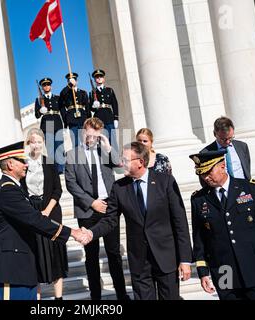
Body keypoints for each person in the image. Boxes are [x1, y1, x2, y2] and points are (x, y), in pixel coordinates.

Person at [86, 142, 193, 300]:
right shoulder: (119, 187)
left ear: (141, 162)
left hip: (166, 257)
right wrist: (91, 232)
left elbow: (180, 222)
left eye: (126, 160)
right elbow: (110, 220)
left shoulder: (165, 182)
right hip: (139, 261)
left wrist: (185, 259)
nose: (122, 163)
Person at [0, 141, 89, 300]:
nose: (26, 164)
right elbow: (34, 219)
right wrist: (72, 232)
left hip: (21, 270)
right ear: (11, 164)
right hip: (11, 271)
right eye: (22, 161)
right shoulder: (7, 190)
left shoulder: (14, 188)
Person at [201, 117, 255, 299]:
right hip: (225, 268)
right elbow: (201, 236)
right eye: (204, 173)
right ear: (215, 134)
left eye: (230, 137)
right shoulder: (200, 200)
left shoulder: (253, 187)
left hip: (253, 255)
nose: (206, 176)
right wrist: (202, 270)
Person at [65, 117, 129, 300]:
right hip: (87, 210)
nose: (90, 138)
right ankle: (96, 296)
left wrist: (108, 145)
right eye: (88, 133)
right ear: (83, 131)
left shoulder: (105, 151)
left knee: (114, 252)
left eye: (95, 135)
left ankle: (122, 294)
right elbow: (71, 183)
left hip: (109, 207)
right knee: (91, 255)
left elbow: (120, 164)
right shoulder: (72, 154)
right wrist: (92, 202)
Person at [21, 129, 68, 300]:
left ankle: (58, 298)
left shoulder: (50, 162)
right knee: (37, 254)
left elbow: (58, 189)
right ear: (29, 143)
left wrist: (47, 210)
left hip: (51, 210)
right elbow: (21, 191)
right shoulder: (24, 164)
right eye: (34, 141)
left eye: (40, 142)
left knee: (55, 254)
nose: (37, 145)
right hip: (32, 210)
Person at [35, 77, 65, 174]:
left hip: (57, 122)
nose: (46, 86)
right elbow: (37, 115)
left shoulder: (57, 98)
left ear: (50, 86)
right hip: (47, 124)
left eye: (48, 84)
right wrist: (40, 110)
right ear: (42, 87)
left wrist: (66, 122)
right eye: (44, 85)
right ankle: (54, 170)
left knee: (59, 147)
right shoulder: (39, 100)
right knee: (51, 148)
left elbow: (63, 111)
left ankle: (61, 168)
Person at [89, 69, 119, 149]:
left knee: (112, 140)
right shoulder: (92, 93)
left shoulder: (110, 90)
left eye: (100, 76)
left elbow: (115, 104)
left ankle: (115, 159)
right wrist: (93, 106)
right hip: (98, 119)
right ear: (95, 80)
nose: (99, 78)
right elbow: (90, 109)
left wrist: (116, 118)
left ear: (103, 78)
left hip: (109, 117)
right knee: (101, 140)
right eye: (97, 77)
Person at [59, 72, 90, 148]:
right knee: (75, 142)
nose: (72, 81)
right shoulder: (65, 93)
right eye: (69, 80)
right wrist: (65, 121)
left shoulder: (83, 92)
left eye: (74, 80)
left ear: (77, 81)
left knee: (86, 140)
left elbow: (87, 107)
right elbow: (61, 98)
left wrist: (89, 120)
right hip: (72, 119)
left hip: (83, 119)